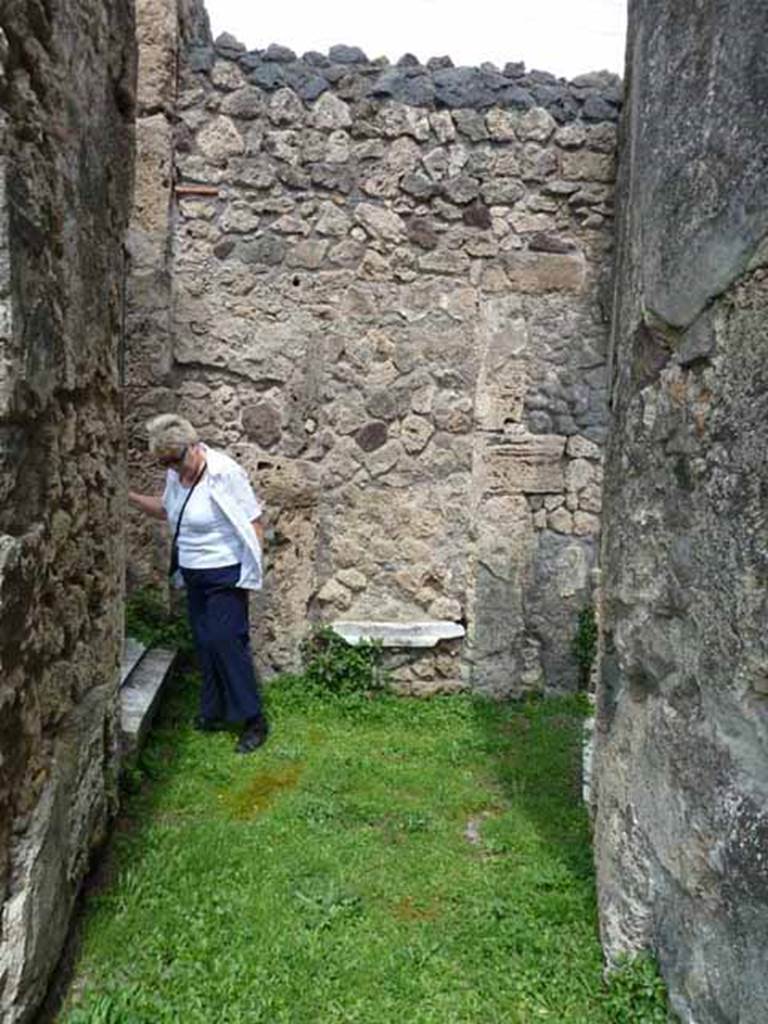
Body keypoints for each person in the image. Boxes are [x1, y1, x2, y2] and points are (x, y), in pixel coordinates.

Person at [128, 413, 268, 754]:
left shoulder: (225, 472)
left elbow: (254, 521)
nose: (173, 470)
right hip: (193, 573)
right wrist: (128, 496)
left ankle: (253, 720)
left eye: (175, 461)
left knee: (227, 641)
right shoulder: (176, 475)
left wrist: (251, 570)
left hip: (225, 573)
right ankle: (214, 710)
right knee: (205, 642)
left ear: (193, 446)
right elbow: (167, 510)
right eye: (166, 464)